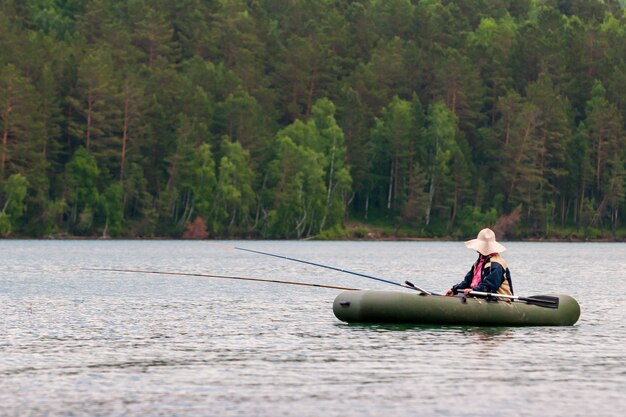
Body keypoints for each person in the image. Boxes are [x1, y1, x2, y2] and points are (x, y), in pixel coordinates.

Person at [445, 228, 513, 298]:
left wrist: (474, 290)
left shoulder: (496, 265)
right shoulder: (479, 262)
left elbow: (489, 287)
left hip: (501, 300)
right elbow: (467, 281)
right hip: (480, 295)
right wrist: (454, 290)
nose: (477, 250)